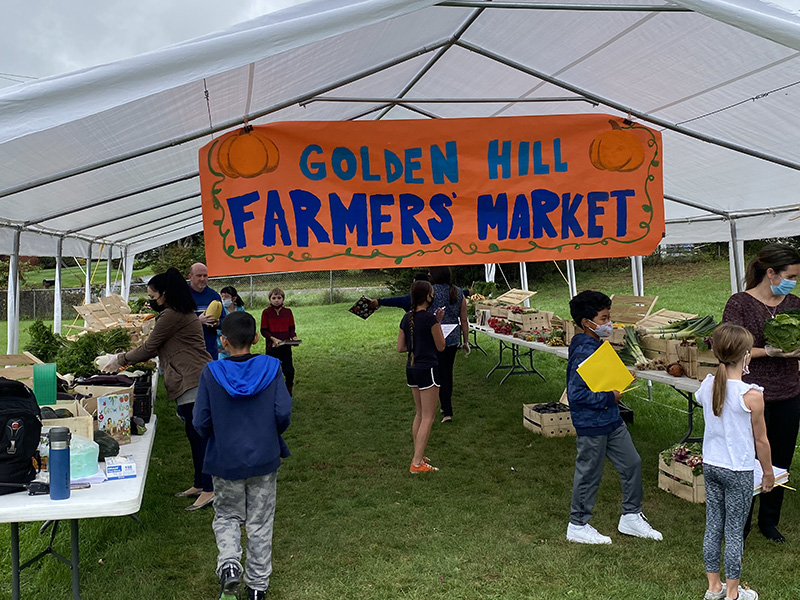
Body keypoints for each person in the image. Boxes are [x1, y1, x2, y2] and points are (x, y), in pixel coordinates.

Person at [193, 312, 292, 600]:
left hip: (225, 459)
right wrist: (271, 433)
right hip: (264, 456)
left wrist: (217, 435)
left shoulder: (211, 373)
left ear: (223, 341)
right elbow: (283, 412)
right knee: (260, 521)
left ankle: (230, 566)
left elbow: (200, 420)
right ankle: (258, 586)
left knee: (227, 515)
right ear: (257, 338)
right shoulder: (272, 367)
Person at [103, 267, 214, 510]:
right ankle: (200, 483)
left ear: (165, 294)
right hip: (193, 377)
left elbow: (149, 347)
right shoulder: (179, 312)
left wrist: (119, 359)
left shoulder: (172, 316)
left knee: (199, 436)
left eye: (153, 297)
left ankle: (210, 488)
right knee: (194, 434)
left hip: (192, 379)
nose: (152, 301)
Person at [565, 290, 662, 544]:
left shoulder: (596, 344)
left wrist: (620, 378)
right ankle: (577, 524)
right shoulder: (582, 351)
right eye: (605, 318)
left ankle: (631, 516)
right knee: (589, 473)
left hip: (611, 420)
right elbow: (576, 396)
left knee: (632, 463)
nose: (610, 323)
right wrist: (612, 397)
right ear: (587, 323)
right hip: (592, 423)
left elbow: (600, 379)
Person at [722, 242, 800, 543]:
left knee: (779, 461)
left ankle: (769, 521)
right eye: (791, 275)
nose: (794, 281)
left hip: (789, 394)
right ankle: (740, 524)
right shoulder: (739, 303)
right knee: (747, 461)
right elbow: (728, 350)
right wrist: (768, 351)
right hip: (749, 396)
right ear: (771, 273)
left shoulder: (794, 304)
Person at [697, 323, 773, 600]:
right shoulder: (752, 395)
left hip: (712, 465)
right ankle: (732, 593)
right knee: (734, 530)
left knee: (713, 525)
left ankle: (713, 587)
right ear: (746, 356)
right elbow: (761, 441)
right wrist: (768, 474)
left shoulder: (707, 386)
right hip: (739, 470)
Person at [397, 280, 445, 473]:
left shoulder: (406, 318)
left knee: (419, 413)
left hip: (412, 368)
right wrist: (438, 323)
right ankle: (417, 463)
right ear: (427, 296)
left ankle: (418, 454)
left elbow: (401, 347)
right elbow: (441, 346)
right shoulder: (430, 319)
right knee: (428, 417)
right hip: (428, 369)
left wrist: (417, 344)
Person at [429, 266, 470, 423]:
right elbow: (464, 320)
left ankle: (442, 407)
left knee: (436, 373)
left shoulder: (430, 292)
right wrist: (465, 341)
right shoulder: (458, 292)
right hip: (452, 337)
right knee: (447, 373)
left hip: (434, 336)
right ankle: (446, 408)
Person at [260, 288, 297, 395]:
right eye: (274, 298)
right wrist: (273, 339)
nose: (276, 300)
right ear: (270, 299)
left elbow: (291, 328)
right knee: (272, 372)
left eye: (279, 298)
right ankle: (272, 392)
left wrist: (294, 337)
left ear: (283, 299)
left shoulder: (288, 312)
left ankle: (288, 390)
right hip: (271, 348)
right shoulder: (266, 312)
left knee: (289, 371)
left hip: (285, 348)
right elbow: (263, 330)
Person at [189, 262, 225, 360]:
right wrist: (197, 321)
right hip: (188, 348)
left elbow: (224, 321)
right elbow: (176, 323)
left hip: (209, 348)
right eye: (198, 276)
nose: (202, 279)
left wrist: (217, 323)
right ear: (190, 277)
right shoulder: (183, 295)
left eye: (205, 276)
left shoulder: (214, 296)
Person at [218, 286, 246, 360]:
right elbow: (217, 328)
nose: (223, 299)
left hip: (237, 343)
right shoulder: (220, 310)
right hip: (223, 345)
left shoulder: (240, 309)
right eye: (222, 296)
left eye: (226, 296)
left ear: (233, 299)